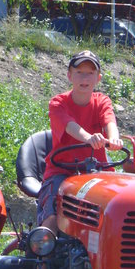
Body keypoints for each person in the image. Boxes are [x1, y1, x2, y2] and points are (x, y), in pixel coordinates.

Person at [37, 50, 123, 234]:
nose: (84, 77)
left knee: (120, 207)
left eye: (90, 73)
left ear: (98, 78)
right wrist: (89, 138)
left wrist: (114, 138)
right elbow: (70, 126)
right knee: (53, 214)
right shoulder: (58, 103)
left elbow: (109, 121)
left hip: (97, 172)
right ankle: (43, 254)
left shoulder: (102, 101)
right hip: (63, 172)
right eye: (79, 72)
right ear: (69, 76)